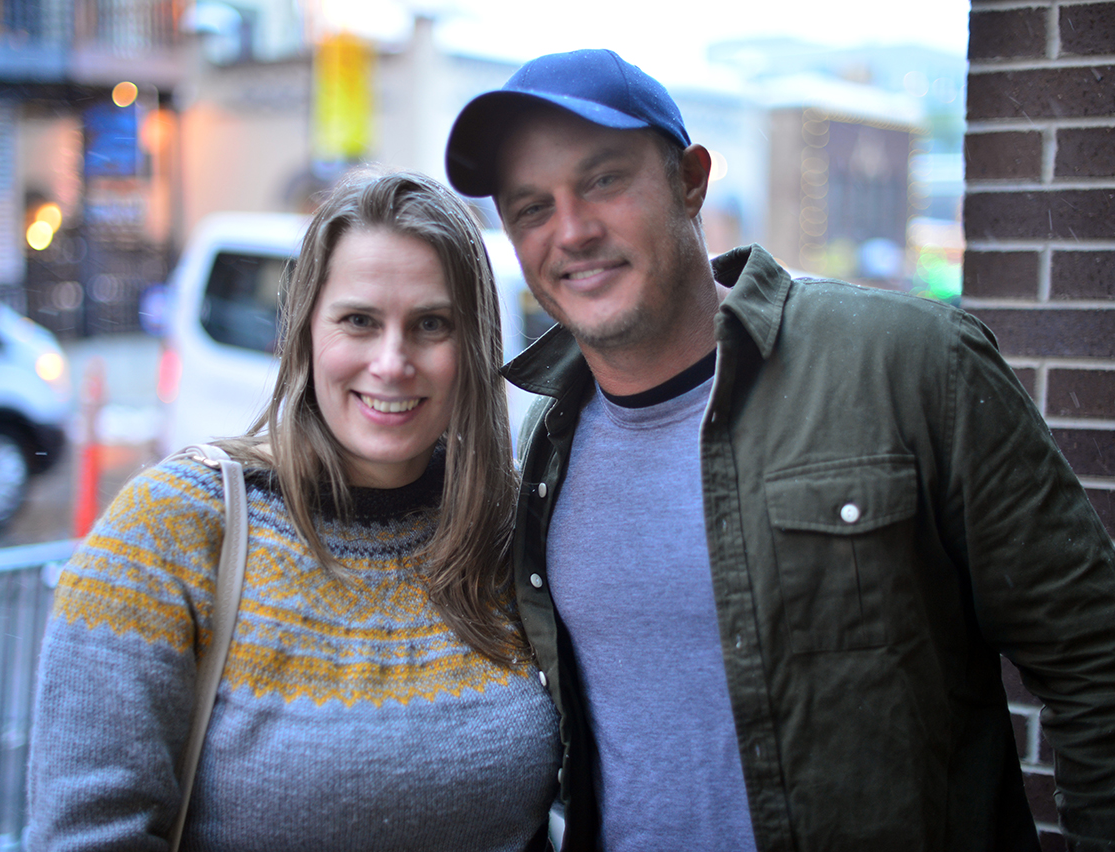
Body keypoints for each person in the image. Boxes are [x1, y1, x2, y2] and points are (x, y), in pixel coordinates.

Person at [444, 49, 1115, 851]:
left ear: (691, 181)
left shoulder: (909, 364)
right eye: (530, 208)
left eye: (603, 181)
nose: (573, 231)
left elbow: (1095, 663)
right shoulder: (548, 442)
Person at [27, 169, 561, 851]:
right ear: (305, 331)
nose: (392, 362)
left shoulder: (514, 529)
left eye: (432, 324)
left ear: (477, 346)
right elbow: (88, 835)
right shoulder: (168, 531)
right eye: (359, 321)